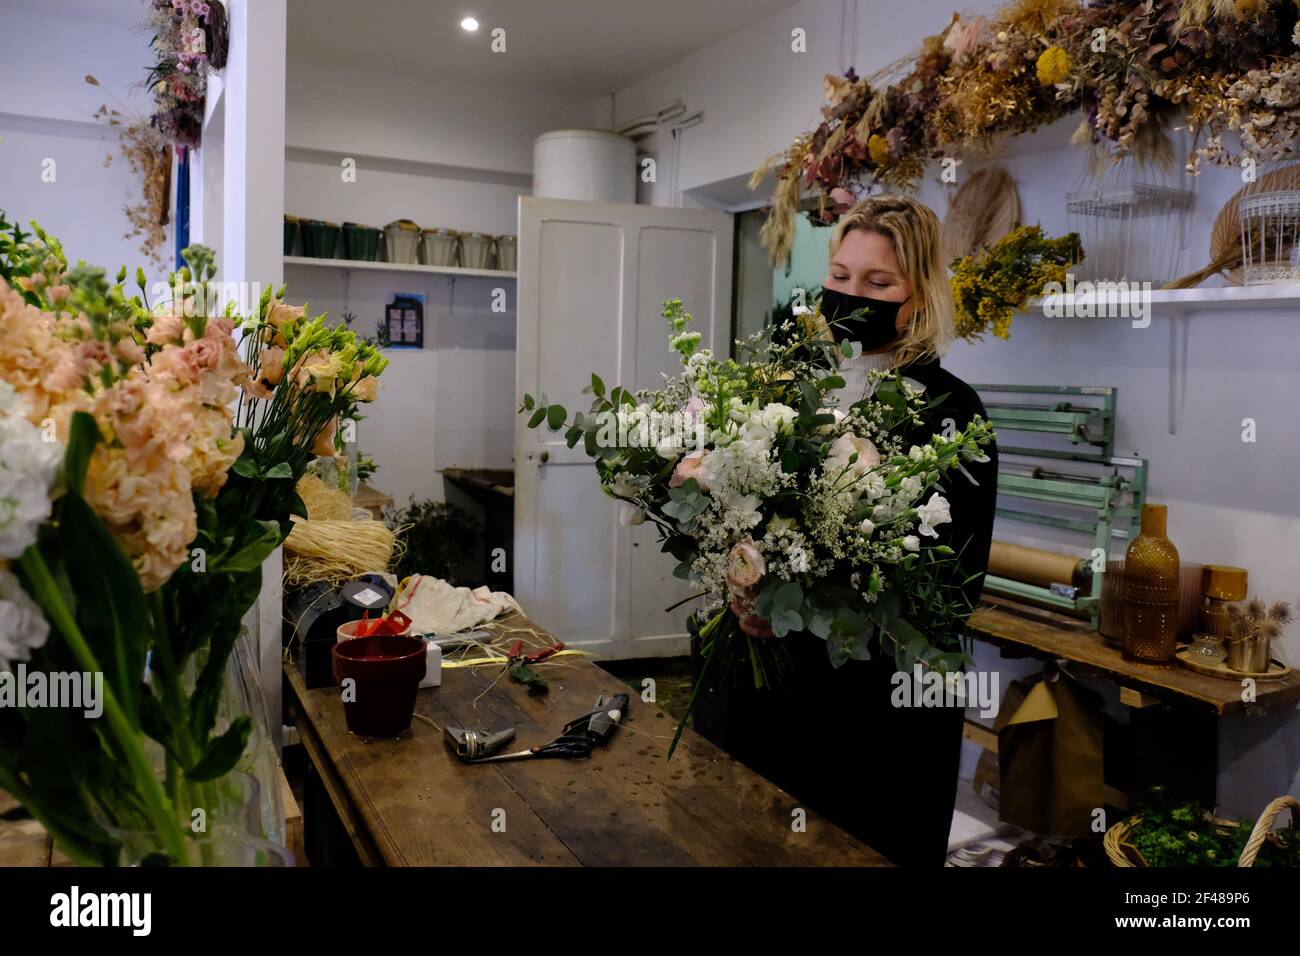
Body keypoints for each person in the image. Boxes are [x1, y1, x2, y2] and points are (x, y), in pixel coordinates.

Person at [691, 195, 999, 867]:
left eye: (877, 282)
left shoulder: (950, 411)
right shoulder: (795, 384)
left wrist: (805, 605)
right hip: (773, 692)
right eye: (840, 276)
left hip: (875, 710)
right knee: (750, 840)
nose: (851, 295)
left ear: (918, 295)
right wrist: (745, 579)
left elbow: (951, 582)